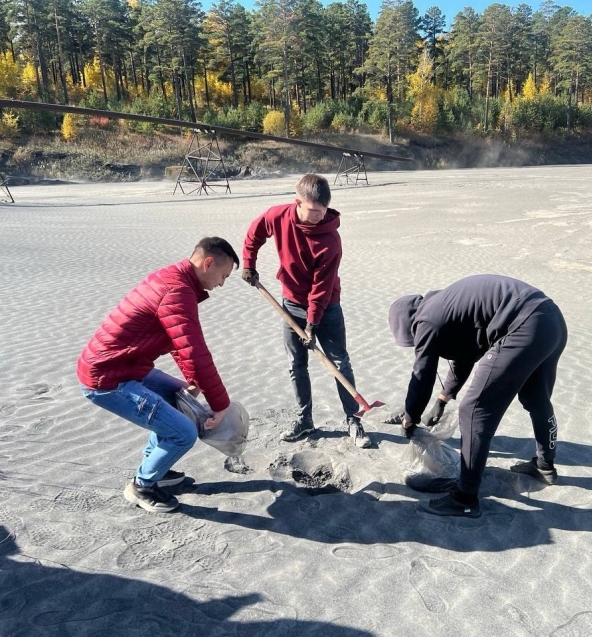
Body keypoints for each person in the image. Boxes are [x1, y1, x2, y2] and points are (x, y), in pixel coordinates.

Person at [77, 237, 239, 513]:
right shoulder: (176, 290)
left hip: (127, 367)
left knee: (179, 399)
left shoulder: (176, 280)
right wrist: (220, 404)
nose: (222, 283)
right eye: (223, 275)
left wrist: (194, 381)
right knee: (184, 433)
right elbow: (194, 348)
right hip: (107, 378)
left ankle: (158, 470)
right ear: (207, 263)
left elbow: (178, 341)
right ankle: (142, 486)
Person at [388, 274, 568, 518]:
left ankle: (465, 498)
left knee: (473, 410)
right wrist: (443, 398)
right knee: (537, 398)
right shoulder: (445, 306)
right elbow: (465, 357)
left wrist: (411, 416)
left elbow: (423, 372)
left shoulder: (426, 320)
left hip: (523, 324)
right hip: (550, 319)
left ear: (407, 324)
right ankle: (544, 466)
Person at [241, 174, 371, 448]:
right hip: (290, 303)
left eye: (322, 211)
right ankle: (305, 420)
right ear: (297, 201)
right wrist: (249, 264)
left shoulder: (330, 241)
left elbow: (321, 289)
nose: (317, 217)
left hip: (327, 308)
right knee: (296, 365)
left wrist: (312, 325)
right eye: (312, 211)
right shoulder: (278, 216)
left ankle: (354, 419)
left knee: (339, 363)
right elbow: (255, 233)